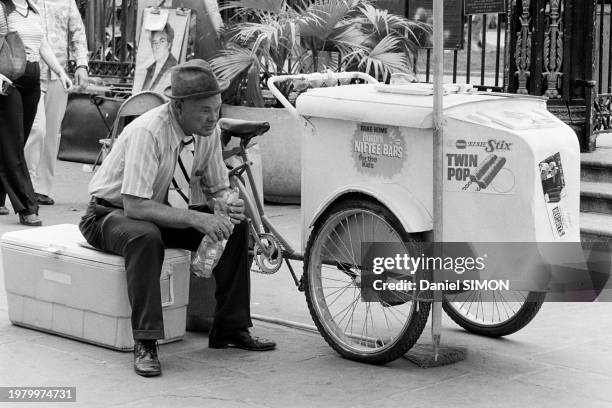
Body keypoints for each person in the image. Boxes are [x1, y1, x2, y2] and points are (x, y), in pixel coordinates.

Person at [79, 59, 276, 378]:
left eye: (217, 108)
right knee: (145, 237)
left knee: (236, 228)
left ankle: (230, 329)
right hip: (108, 213)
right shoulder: (148, 131)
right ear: (179, 107)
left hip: (159, 210)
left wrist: (227, 205)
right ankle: (146, 342)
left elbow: (218, 187)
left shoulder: (207, 130)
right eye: (205, 110)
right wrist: (196, 220)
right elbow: (135, 207)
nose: (214, 117)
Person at [0, 0, 72, 226]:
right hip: (8, 79)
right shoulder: (2, 7)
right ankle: (26, 206)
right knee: (14, 143)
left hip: (32, 78)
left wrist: (60, 71)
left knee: (13, 143)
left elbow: (43, 45)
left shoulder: (33, 8)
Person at [23, 0, 89, 206]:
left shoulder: (66, 1)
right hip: (28, 71)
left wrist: (81, 65)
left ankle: (40, 188)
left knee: (51, 134)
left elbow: (77, 31)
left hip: (57, 74)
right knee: (35, 131)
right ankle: (25, 184)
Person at [141, 23, 177, 92]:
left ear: (169, 44)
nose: (157, 46)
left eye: (162, 41)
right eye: (154, 42)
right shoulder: (151, 68)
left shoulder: (173, 67)